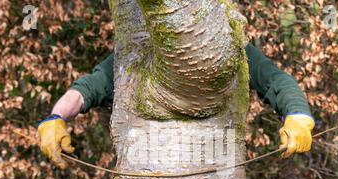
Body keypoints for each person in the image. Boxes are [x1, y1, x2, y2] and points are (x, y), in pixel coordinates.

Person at [37, 44, 315, 169]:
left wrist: (298, 115)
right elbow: (87, 89)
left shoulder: (232, 50)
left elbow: (276, 81)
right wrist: (55, 117)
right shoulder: (133, 55)